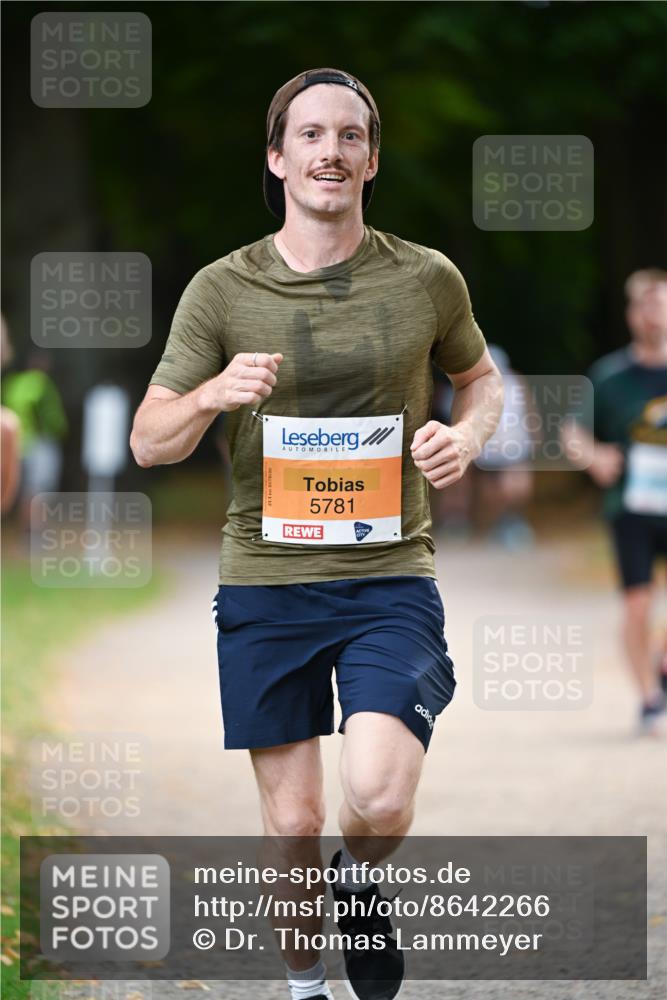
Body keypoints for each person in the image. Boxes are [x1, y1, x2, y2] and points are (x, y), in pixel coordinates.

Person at [130, 68, 503, 1000]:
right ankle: (304, 990)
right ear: (277, 155)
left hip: (389, 577)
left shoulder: (425, 277)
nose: (328, 151)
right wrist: (214, 393)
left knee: (376, 794)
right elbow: (148, 439)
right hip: (265, 581)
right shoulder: (222, 289)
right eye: (308, 135)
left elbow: (482, 381)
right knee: (291, 822)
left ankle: (361, 874)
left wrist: (464, 437)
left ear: (370, 159)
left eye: (348, 135)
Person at [564, 269, 667, 736]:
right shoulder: (610, 375)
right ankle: (649, 699)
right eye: (646, 305)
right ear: (631, 315)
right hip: (632, 507)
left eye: (662, 304)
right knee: (637, 605)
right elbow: (572, 432)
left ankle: (661, 664)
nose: (655, 314)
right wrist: (594, 457)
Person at [1, 348, 68, 530]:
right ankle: (37, 532)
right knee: (41, 490)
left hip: (17, 443)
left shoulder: (13, 383)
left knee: (22, 491)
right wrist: (61, 431)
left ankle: (25, 532)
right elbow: (53, 418)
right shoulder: (42, 384)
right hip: (41, 443)